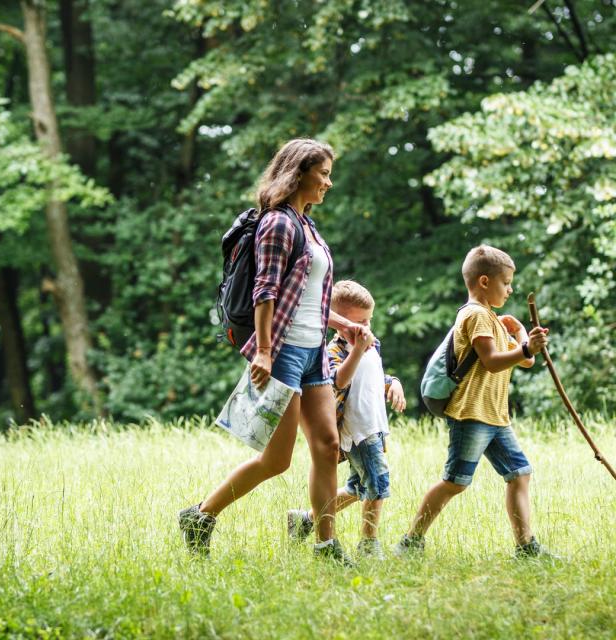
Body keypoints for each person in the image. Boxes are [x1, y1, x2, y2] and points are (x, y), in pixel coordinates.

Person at [179, 139, 365, 564]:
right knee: (277, 459)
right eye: (323, 174)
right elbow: (266, 291)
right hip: (281, 351)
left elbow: (307, 297)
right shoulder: (278, 224)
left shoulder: (308, 225)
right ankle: (201, 515)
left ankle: (325, 544)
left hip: (313, 351)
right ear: (299, 172)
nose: (329, 183)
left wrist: (344, 324)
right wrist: (263, 350)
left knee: (326, 443)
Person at [394, 245, 554, 558]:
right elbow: (494, 361)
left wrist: (523, 336)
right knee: (455, 482)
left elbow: (525, 362)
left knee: (520, 473)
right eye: (506, 282)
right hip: (471, 415)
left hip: (495, 417)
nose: (510, 289)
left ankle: (526, 548)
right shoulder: (476, 316)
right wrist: (526, 349)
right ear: (484, 282)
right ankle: (410, 541)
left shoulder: (492, 319)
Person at [287, 280, 406, 559]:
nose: (366, 328)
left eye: (369, 320)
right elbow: (338, 381)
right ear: (339, 324)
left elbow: (372, 379)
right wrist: (357, 349)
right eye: (359, 322)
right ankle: (369, 543)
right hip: (355, 429)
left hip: (374, 424)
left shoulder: (372, 344)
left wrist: (393, 382)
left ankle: (305, 519)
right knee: (378, 482)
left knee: (358, 486)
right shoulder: (333, 351)